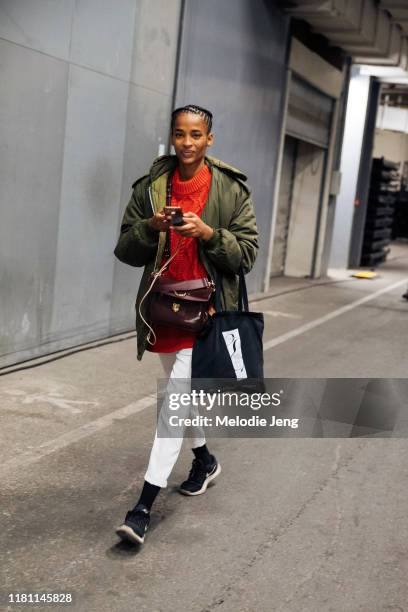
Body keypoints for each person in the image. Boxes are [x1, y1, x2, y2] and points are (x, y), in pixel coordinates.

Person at [113, 104, 259, 545]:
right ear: (172, 137)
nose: (188, 143)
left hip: (206, 314)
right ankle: (205, 461)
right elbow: (124, 248)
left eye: (197, 135)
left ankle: (142, 507)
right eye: (180, 134)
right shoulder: (153, 186)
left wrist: (209, 234)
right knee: (182, 397)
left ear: (209, 139)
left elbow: (247, 254)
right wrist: (150, 226)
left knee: (173, 405)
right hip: (162, 310)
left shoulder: (231, 189)